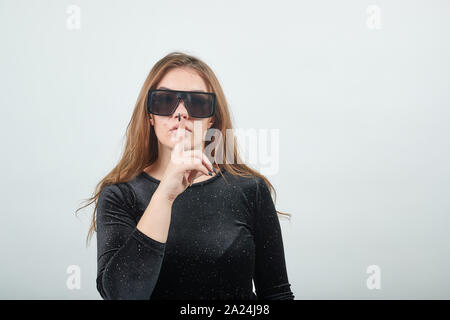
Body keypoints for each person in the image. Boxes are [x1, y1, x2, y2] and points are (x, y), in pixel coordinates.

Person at [78, 51, 294, 300]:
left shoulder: (250, 190)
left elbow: (276, 293)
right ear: (149, 115)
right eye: (164, 100)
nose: (180, 113)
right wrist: (165, 195)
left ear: (212, 117)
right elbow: (120, 295)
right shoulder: (120, 196)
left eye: (197, 103)